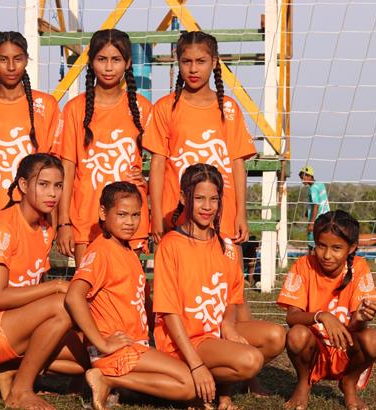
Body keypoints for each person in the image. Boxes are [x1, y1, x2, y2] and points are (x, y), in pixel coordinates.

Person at [0, 153, 88, 410]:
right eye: (44, 184)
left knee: (86, 358)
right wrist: (56, 286)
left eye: (58, 186)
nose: (52, 193)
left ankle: (8, 369)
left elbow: (34, 290)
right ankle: (21, 390)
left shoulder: (45, 228)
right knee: (63, 304)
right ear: (23, 185)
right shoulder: (2, 228)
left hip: (16, 325)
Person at [153, 163, 285, 410]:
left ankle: (216, 384)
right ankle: (192, 376)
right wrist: (196, 364)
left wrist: (227, 324)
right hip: (186, 340)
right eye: (199, 198)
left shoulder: (226, 246)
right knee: (251, 360)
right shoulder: (170, 246)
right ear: (183, 197)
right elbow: (168, 312)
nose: (207, 206)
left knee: (276, 336)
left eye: (214, 199)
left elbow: (231, 299)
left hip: (215, 333)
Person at [65, 182, 196, 410]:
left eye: (136, 215)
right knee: (189, 383)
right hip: (116, 350)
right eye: (122, 214)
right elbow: (74, 297)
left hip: (135, 346)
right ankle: (108, 379)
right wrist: (101, 343)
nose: (130, 222)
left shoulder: (127, 250)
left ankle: (116, 384)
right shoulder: (101, 251)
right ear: (103, 213)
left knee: (184, 381)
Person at [143, 30, 256, 245]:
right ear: (178, 62)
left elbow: (237, 164)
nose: (193, 69)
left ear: (214, 62)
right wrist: (156, 214)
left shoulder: (229, 108)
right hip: (176, 217)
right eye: (186, 61)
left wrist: (241, 213)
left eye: (201, 61)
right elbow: (157, 164)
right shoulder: (165, 107)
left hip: (222, 217)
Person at [54, 28, 152, 266]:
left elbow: (162, 161)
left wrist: (145, 183)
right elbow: (67, 168)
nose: (109, 67)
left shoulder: (142, 107)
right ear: (91, 62)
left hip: (130, 219)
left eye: (116, 59)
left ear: (128, 63)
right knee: (88, 286)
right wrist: (63, 222)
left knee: (127, 284)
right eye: (102, 59)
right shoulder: (75, 109)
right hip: (86, 217)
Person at [0, 31, 61, 244]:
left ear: (26, 59)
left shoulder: (46, 105)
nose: (11, 66)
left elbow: (55, 164)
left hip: (32, 213)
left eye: (17, 59)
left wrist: (57, 218)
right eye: (3, 59)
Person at [277, 210, 376, 410]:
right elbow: (292, 317)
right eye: (321, 245)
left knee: (373, 339)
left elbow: (357, 327)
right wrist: (322, 316)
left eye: (336, 248)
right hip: (314, 349)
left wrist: (361, 318)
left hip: (346, 347)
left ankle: (349, 383)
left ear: (351, 248)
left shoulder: (359, 268)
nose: (326, 255)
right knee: (297, 334)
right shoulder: (303, 265)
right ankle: (303, 383)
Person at [299, 165, 330, 252]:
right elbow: (319, 201)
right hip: (326, 217)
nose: (302, 180)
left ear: (309, 176)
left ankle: (311, 260)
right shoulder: (320, 184)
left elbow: (316, 205)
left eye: (303, 178)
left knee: (312, 246)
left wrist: (312, 223)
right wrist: (307, 211)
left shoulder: (313, 189)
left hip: (317, 220)